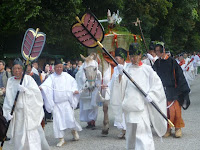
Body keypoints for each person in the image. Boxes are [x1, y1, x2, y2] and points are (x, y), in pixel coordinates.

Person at [110, 43, 167, 150]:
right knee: (131, 135)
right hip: (129, 107)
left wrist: (151, 95)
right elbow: (120, 87)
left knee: (143, 134)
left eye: (135, 56)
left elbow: (157, 85)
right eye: (131, 56)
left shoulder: (147, 69)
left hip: (142, 107)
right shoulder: (126, 69)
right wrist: (121, 75)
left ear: (140, 55)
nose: (133, 59)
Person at [3, 58, 49, 150]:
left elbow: (37, 95)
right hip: (18, 115)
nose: (17, 71)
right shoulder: (10, 81)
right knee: (20, 138)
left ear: (22, 69)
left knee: (33, 136)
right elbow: (8, 99)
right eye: (15, 68)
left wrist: (26, 91)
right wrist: (7, 112)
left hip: (29, 113)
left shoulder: (28, 79)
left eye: (19, 68)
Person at [40, 59, 82, 147]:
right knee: (58, 122)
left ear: (62, 67)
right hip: (57, 104)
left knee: (70, 119)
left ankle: (74, 131)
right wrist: (42, 88)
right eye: (57, 67)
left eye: (60, 67)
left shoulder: (66, 76)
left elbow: (73, 83)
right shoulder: (51, 77)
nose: (59, 69)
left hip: (66, 103)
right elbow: (46, 85)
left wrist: (74, 91)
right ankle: (61, 139)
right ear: (54, 68)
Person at [153, 43, 190, 138]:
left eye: (158, 51)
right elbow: (153, 75)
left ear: (163, 50)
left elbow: (179, 75)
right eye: (155, 51)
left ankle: (178, 128)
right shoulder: (157, 63)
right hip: (162, 90)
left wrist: (182, 89)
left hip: (173, 89)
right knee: (165, 111)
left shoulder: (172, 62)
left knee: (175, 110)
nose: (156, 52)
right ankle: (167, 128)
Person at [108, 48, 128, 139]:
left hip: (127, 92)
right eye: (115, 58)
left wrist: (121, 75)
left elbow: (126, 80)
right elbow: (113, 80)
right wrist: (107, 86)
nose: (116, 60)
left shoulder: (129, 67)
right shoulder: (116, 68)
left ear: (123, 59)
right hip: (118, 93)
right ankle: (122, 130)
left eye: (118, 58)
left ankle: (128, 130)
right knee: (119, 110)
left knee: (127, 111)